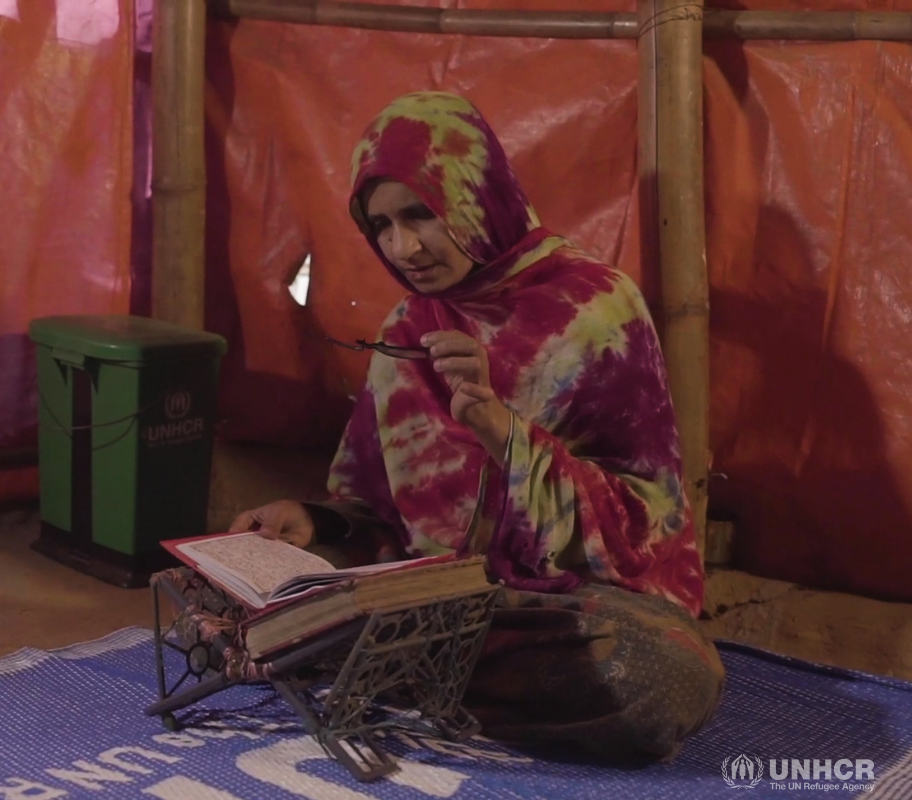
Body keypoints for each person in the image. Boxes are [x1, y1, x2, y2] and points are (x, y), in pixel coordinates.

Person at [230, 91, 724, 762]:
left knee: (657, 677)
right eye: (380, 226)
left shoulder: (595, 312)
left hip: (556, 608)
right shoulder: (411, 327)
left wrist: (502, 432)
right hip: (429, 603)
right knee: (256, 589)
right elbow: (379, 517)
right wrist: (320, 524)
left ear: (475, 194)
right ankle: (393, 670)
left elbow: (651, 525)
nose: (403, 247)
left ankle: (369, 673)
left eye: (420, 215)